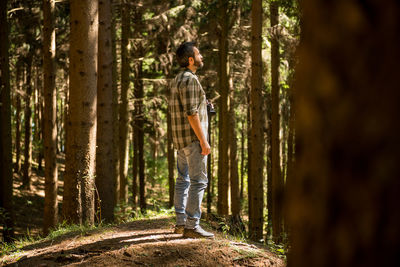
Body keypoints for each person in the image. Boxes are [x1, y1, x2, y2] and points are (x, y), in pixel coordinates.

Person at [169, 42, 214, 239]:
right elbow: (191, 114)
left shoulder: (177, 80)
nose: (201, 56)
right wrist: (204, 141)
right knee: (199, 181)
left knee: (183, 180)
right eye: (198, 53)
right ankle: (192, 226)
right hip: (193, 140)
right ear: (190, 60)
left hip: (180, 141)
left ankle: (180, 223)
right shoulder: (191, 80)